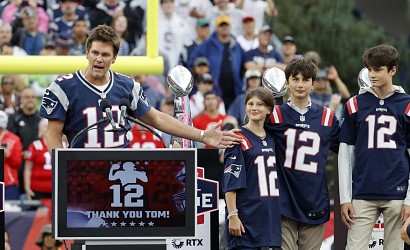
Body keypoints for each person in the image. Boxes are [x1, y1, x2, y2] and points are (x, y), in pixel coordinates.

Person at [39, 25, 241, 153]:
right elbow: (52, 135)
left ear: (115, 58)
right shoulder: (63, 87)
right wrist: (63, 171)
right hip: (81, 173)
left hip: (120, 172)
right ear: (87, 53)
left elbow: (158, 119)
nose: (99, 59)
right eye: (95, 53)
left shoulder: (127, 86)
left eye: (106, 54)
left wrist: (202, 136)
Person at [339, 44, 410, 249]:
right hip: (362, 192)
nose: (372, 75)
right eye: (369, 69)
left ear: (392, 70)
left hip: (397, 193)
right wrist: (345, 197)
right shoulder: (355, 104)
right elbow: (345, 154)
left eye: (377, 69)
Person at [265, 59, 340, 249]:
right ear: (287, 82)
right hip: (283, 201)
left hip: (314, 201)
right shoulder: (274, 115)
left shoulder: (327, 117)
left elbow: (347, 151)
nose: (300, 84)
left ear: (314, 83)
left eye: (305, 80)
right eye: (295, 79)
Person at [223, 87, 280, 249]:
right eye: (250, 104)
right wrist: (233, 215)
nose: (254, 108)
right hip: (246, 218)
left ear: (269, 109)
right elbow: (230, 181)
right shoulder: (238, 138)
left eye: (260, 104)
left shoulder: (273, 138)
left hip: (269, 218)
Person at [0, 110, 23, 200]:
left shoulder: (14, 139)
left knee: (11, 212)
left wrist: (9, 155)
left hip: (9, 183)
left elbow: (17, 163)